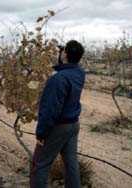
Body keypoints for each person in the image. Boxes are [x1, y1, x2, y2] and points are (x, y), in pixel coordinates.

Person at [30, 40, 85, 188]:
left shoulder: (57, 79)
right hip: (73, 125)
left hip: (58, 127)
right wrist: (65, 52)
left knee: (39, 164)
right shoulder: (79, 72)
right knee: (71, 163)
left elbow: (50, 110)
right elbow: (69, 64)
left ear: (65, 54)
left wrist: (41, 133)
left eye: (62, 51)